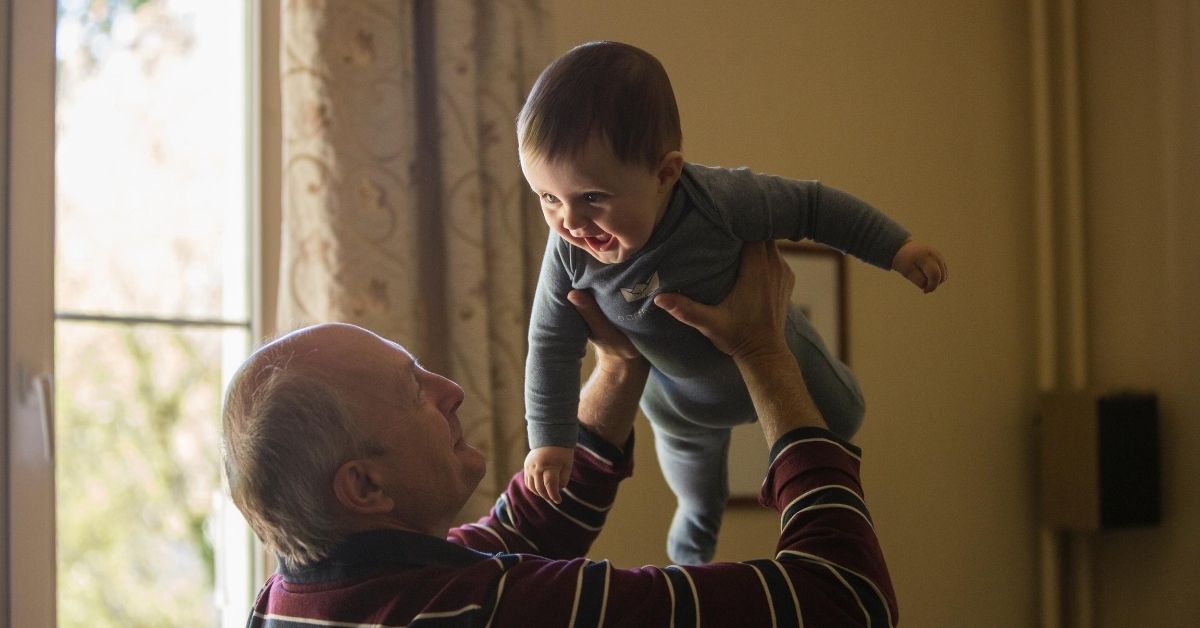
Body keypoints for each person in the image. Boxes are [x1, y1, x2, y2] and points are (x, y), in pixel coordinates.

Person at [222, 242, 897, 627]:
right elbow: (844, 600)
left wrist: (621, 364)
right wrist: (764, 350)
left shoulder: (299, 600)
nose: (450, 392)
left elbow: (522, 530)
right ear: (364, 485)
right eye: (414, 391)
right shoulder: (487, 612)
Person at [520, 40, 948, 564]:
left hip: (779, 351)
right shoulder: (568, 252)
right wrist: (549, 439)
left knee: (845, 417)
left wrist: (896, 248)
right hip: (680, 404)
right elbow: (550, 343)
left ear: (664, 174)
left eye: (592, 198)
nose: (570, 222)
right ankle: (690, 564)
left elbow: (813, 207)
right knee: (699, 498)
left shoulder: (719, 201)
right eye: (547, 198)